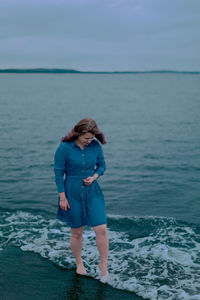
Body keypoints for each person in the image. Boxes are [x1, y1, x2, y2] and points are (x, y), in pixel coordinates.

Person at [54, 118, 109, 283]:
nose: (89, 141)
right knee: (77, 232)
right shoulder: (64, 148)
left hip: (93, 191)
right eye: (86, 138)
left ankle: (104, 264)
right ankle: (79, 263)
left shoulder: (95, 146)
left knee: (101, 229)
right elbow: (58, 173)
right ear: (77, 134)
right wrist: (62, 198)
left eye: (92, 138)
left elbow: (102, 166)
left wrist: (94, 176)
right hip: (71, 192)